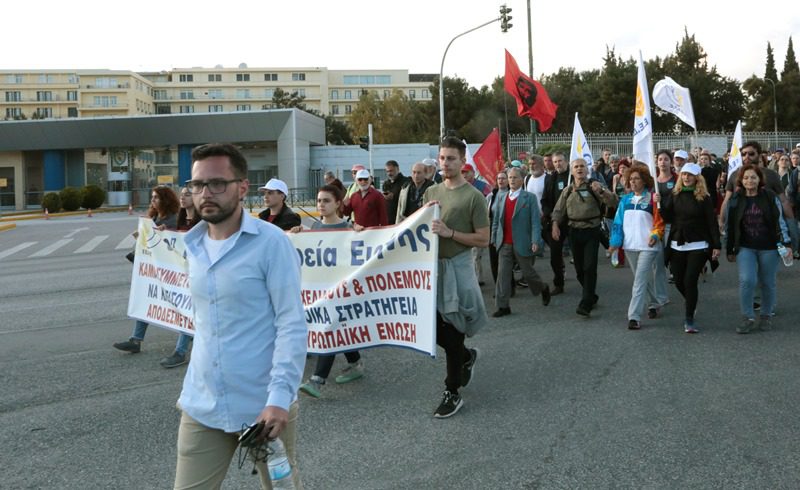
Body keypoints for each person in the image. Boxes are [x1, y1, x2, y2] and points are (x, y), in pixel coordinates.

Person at [174, 143, 306, 489]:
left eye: (217, 184)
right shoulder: (192, 245)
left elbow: (291, 325)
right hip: (203, 405)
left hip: (263, 408)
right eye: (197, 185)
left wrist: (279, 398)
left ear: (242, 187)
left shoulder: (271, 244)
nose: (205, 194)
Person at [423, 136, 489, 419]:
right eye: (442, 158)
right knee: (434, 328)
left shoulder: (474, 196)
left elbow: (484, 239)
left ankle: (452, 390)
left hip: (459, 269)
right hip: (432, 270)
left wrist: (451, 233)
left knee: (454, 327)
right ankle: (464, 356)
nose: (445, 163)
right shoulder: (431, 192)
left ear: (463, 161)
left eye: (451, 158)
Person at [294, 185, 365, 398]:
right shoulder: (313, 228)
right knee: (338, 327)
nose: (321, 205)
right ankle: (356, 363)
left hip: (341, 291)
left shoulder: (349, 229)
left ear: (338, 204)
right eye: (318, 201)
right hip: (319, 292)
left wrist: (362, 234)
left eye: (326, 201)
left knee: (330, 327)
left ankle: (318, 379)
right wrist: (297, 235)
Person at [113, 186, 191, 366]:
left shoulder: (173, 219)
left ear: (165, 199)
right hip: (161, 272)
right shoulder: (156, 218)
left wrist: (162, 234)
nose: (153, 200)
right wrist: (141, 238)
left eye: (156, 197)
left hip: (177, 273)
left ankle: (181, 351)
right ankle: (135, 340)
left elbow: (173, 244)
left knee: (184, 308)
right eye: (152, 197)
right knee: (150, 300)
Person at [725, 164, 791, 334]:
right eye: (746, 177)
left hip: (769, 247)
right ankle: (747, 317)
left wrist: (786, 242)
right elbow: (731, 226)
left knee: (767, 282)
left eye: (753, 177)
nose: (749, 181)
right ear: (741, 180)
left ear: (759, 179)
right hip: (746, 247)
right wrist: (729, 249)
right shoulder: (736, 199)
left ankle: (766, 315)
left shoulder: (769, 196)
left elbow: (779, 220)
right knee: (747, 280)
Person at [656, 163, 721, 334]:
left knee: (690, 281)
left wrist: (716, 245)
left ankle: (689, 317)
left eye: (690, 175)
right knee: (678, 280)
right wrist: (660, 203)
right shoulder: (675, 194)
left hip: (698, 243)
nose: (686, 178)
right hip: (677, 241)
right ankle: (691, 302)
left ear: (697, 178)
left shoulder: (704, 197)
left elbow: (711, 222)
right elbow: (668, 217)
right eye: (684, 174)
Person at [551, 159, 618, 317]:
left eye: (582, 166)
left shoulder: (594, 187)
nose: (579, 169)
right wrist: (555, 225)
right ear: (572, 171)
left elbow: (613, 201)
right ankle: (591, 294)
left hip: (592, 231)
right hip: (574, 231)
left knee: (589, 267)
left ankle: (586, 303)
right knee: (579, 269)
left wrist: (601, 191)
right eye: (576, 167)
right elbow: (558, 210)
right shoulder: (567, 190)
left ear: (587, 170)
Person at [609, 164, 665, 330]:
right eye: (630, 179)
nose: (633, 182)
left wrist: (655, 235)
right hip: (630, 246)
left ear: (644, 181)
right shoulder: (625, 200)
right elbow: (618, 223)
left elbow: (659, 222)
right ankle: (654, 303)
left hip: (648, 246)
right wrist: (614, 243)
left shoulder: (652, 199)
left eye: (636, 179)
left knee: (639, 281)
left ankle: (634, 317)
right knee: (641, 280)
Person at [491, 167, 550, 317]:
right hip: (505, 243)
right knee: (502, 275)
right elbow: (497, 220)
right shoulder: (501, 197)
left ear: (522, 180)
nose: (511, 180)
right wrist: (494, 238)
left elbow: (535, 222)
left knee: (528, 274)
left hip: (522, 243)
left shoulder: (528, 198)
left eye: (515, 177)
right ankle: (503, 306)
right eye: (509, 177)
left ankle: (542, 288)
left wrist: (535, 240)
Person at [158, 187, 199, 368]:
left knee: (192, 313)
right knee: (189, 312)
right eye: (181, 194)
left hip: (199, 275)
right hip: (184, 276)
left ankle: (181, 352)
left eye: (187, 194)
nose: (182, 198)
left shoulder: (203, 222)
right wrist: (163, 232)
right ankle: (183, 349)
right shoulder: (180, 220)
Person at [540, 152, 571, 295]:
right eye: (555, 161)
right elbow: (545, 200)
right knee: (555, 256)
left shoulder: (572, 177)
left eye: (560, 161)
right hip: (555, 221)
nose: (558, 164)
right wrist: (550, 214)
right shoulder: (551, 179)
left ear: (566, 161)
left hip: (572, 220)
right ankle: (559, 283)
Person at [487, 171, 510, 288]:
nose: (501, 181)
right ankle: (498, 286)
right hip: (493, 229)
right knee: (494, 259)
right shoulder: (492, 195)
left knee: (506, 260)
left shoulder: (512, 194)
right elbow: (488, 213)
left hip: (507, 229)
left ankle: (509, 285)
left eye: (503, 178)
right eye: (499, 179)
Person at [382, 159, 408, 225]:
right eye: (387, 171)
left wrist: (394, 196)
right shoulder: (386, 183)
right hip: (389, 218)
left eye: (391, 171)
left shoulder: (406, 181)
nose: (389, 173)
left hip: (401, 218)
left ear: (398, 169)